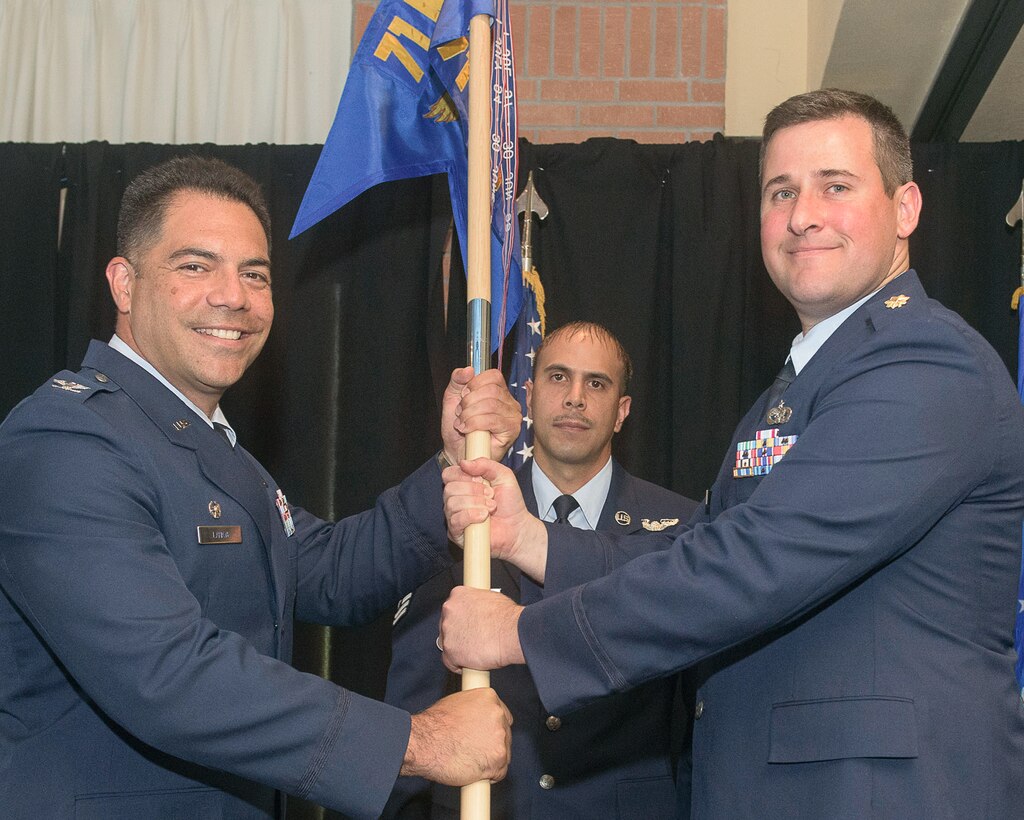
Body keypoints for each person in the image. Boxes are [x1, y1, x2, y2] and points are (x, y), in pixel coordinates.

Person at [438, 89, 1024, 818]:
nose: (802, 214)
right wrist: (529, 540)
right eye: (781, 192)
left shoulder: (926, 365)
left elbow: (752, 563)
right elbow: (701, 547)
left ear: (905, 209)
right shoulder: (801, 383)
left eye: (834, 187)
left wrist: (523, 632)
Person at [0, 156, 522, 819]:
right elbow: (169, 676)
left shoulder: (204, 443)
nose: (233, 296)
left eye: (255, 274)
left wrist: (454, 467)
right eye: (195, 266)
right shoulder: (68, 441)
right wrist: (414, 743)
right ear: (124, 284)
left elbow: (328, 570)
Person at [383, 321, 698, 819]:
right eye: (557, 377)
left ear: (622, 412)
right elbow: (413, 695)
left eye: (596, 383)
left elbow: (698, 714)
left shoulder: (682, 527)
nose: (575, 398)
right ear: (527, 396)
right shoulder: (465, 513)